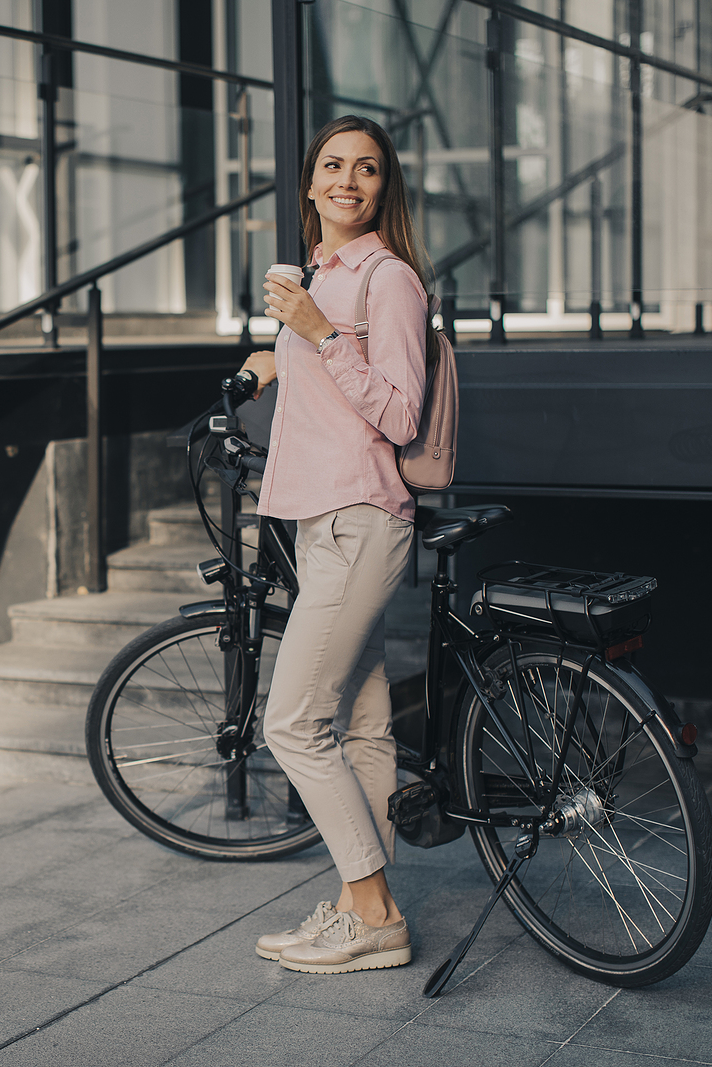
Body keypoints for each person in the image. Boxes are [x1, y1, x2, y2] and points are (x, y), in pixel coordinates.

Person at [241, 115, 431, 975]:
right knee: (359, 724)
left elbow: (400, 413)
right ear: (310, 184)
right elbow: (326, 367)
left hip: (361, 517)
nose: (348, 180)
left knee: (290, 721)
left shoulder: (386, 280)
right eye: (332, 165)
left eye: (367, 169)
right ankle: (370, 908)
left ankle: (370, 909)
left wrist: (317, 332)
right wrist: (278, 354)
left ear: (383, 189)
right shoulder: (322, 273)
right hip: (322, 522)